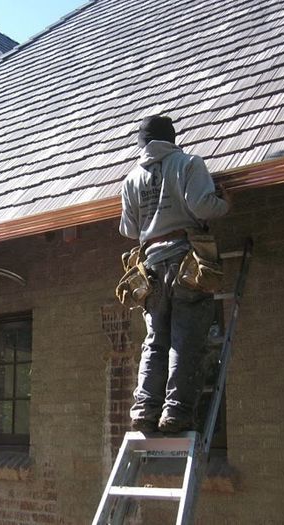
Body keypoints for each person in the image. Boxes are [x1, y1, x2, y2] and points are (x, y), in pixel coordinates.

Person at [119, 115, 230, 433]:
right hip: (185, 261)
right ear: (172, 139)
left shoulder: (131, 180)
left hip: (151, 268)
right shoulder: (188, 163)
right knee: (185, 339)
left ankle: (144, 409)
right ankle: (176, 413)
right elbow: (204, 206)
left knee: (155, 341)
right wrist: (225, 204)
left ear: (142, 144)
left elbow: (129, 229)